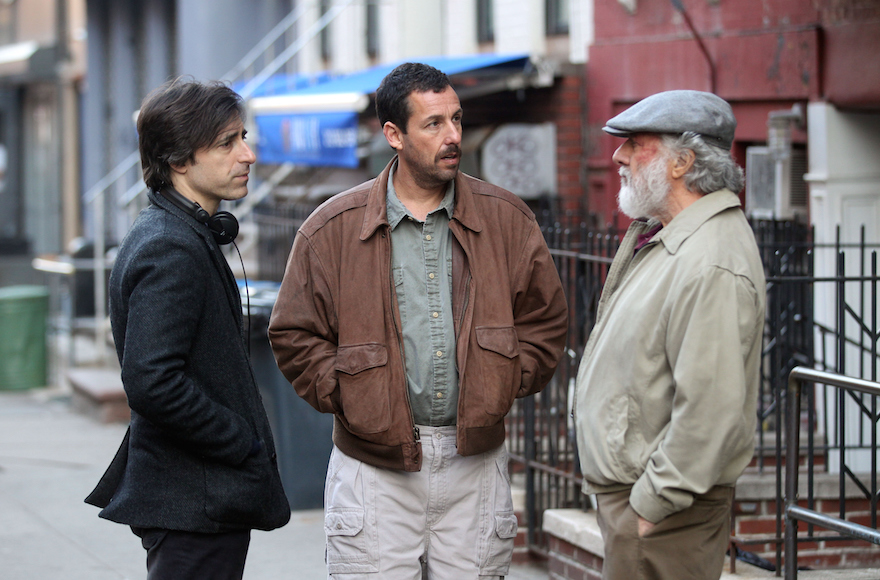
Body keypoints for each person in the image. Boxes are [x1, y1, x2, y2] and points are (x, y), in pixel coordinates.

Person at [268, 62, 568, 579]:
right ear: (394, 135)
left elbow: (545, 322)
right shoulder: (332, 228)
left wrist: (502, 381)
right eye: (433, 123)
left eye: (456, 119)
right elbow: (294, 332)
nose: (453, 136)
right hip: (374, 470)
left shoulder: (507, 219)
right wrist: (352, 395)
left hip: (475, 464)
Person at [85, 78, 290, 580]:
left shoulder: (183, 233)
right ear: (178, 160)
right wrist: (239, 440)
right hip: (195, 501)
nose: (248, 154)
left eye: (244, 137)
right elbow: (152, 381)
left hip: (198, 499)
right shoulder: (170, 246)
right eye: (227, 143)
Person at [573, 90, 767, 580]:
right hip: (649, 509)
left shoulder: (710, 260)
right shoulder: (670, 235)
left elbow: (711, 411)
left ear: (683, 162)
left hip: (663, 517)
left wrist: (648, 508)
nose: (618, 157)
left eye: (635, 144)